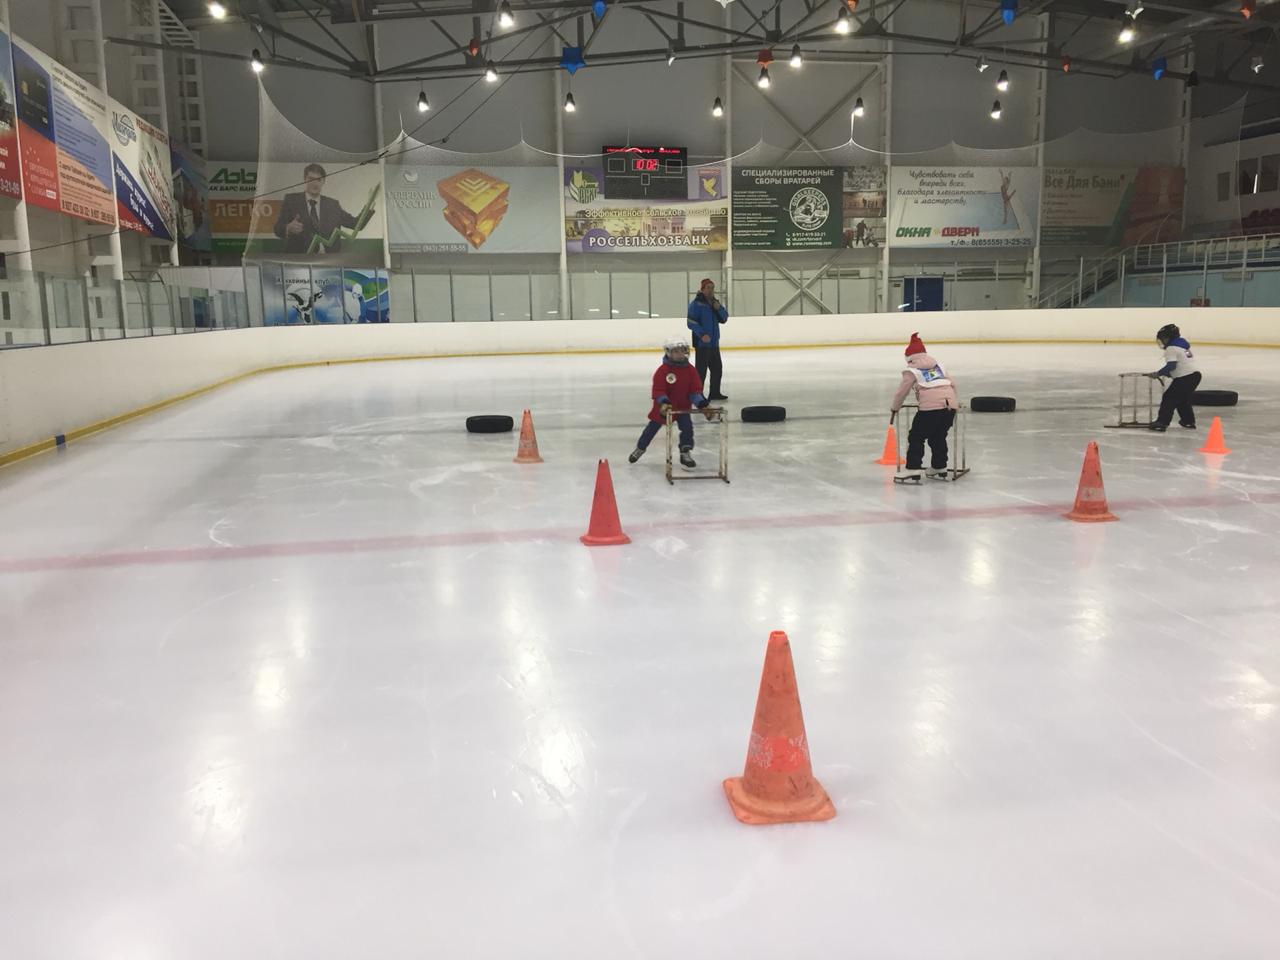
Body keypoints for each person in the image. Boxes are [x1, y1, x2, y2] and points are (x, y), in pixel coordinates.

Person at [629, 338, 713, 469]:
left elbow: (695, 391)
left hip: (682, 408)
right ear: (669, 353)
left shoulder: (691, 370)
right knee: (651, 429)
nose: (680, 354)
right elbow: (658, 390)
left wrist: (702, 404)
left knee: (687, 429)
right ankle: (640, 448)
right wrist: (664, 402)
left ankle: (685, 452)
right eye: (676, 351)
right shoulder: (663, 370)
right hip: (663, 408)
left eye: (682, 351)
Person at [890, 332, 959, 480]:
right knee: (938, 436)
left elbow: (902, 392)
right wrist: (953, 402)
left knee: (916, 436)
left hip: (931, 409)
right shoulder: (938, 366)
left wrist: (895, 407)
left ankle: (913, 468)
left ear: (909, 357)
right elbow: (953, 384)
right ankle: (939, 466)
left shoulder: (912, 370)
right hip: (950, 407)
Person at [273, 163, 361, 254]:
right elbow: (277, 229)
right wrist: (288, 228)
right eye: (311, 179)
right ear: (305, 180)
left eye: (319, 180)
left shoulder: (333, 205)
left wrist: (369, 206)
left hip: (328, 258)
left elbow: (355, 224)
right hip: (300, 258)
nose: (315, 183)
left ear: (323, 182)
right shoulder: (291, 200)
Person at [1148, 323, 1201, 431]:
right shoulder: (1183, 347)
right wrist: (1169, 373)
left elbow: (1171, 365)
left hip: (1185, 377)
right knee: (1182, 399)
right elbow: (1183, 364)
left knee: (1169, 398)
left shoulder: (1171, 348)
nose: (1162, 341)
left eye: (1163, 338)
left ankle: (1162, 422)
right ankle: (1188, 421)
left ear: (1169, 338)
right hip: (1195, 376)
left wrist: (1158, 373)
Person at [687, 278, 729, 401]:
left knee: (717, 369)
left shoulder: (714, 303)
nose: (711, 290)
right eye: (708, 288)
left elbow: (724, 318)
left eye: (712, 288)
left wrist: (718, 308)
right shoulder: (696, 304)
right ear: (702, 289)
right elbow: (691, 322)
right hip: (702, 344)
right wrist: (702, 334)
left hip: (714, 343)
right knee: (701, 372)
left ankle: (714, 393)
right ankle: (698, 394)